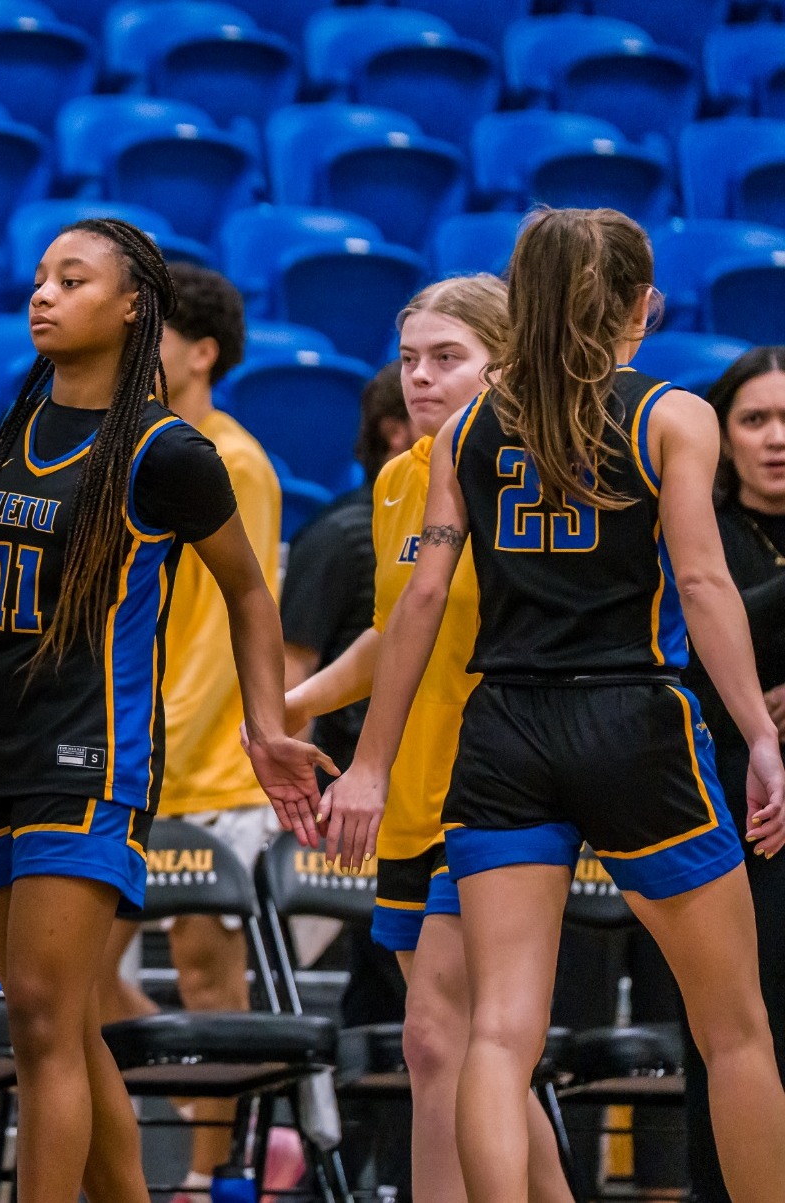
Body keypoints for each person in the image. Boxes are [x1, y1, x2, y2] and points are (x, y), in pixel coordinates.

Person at [0, 218, 329, 1203]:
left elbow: (250, 590)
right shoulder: (22, 423)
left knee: (38, 1016)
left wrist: (264, 727)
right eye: (38, 277)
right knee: (61, 1023)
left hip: (92, 753)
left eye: (70, 280)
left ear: (132, 307)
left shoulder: (166, 451)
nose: (40, 294)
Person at [322, 207, 785, 1202]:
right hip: (632, 717)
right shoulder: (671, 414)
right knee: (734, 1026)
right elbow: (703, 589)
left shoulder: (467, 431)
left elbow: (420, 602)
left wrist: (368, 757)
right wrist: (755, 733)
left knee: (498, 1031)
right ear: (639, 303)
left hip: (502, 733)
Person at [283, 276, 574, 1203]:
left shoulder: (534, 477)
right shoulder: (400, 478)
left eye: (447, 357)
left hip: (495, 784)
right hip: (408, 788)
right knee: (446, 1043)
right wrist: (299, 702)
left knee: (450, 1039)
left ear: (505, 361)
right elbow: (395, 629)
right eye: (409, 358)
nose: (419, 377)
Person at [94, 261, 281, 1194]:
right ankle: (193, 1117)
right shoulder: (138, 446)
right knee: (79, 981)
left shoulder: (233, 459)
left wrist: (147, 751)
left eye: (155, 334)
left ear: (201, 352)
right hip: (138, 757)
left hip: (200, 772)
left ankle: (217, 1178)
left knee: (213, 986)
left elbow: (213, 643)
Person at [682, 346, 785, 1202]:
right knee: (736, 1028)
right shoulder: (693, 530)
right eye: (755, 419)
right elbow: (681, 653)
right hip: (724, 809)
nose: (777, 439)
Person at [279, 362, 412, 770]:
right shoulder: (338, 535)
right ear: (396, 432)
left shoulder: (472, 522)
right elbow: (293, 665)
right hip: (352, 779)